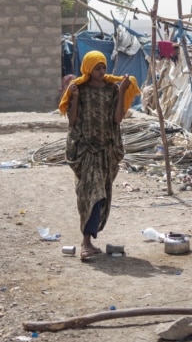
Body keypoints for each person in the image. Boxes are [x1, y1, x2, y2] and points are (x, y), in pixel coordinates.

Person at [58, 51, 140, 261]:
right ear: (88, 69)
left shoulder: (112, 89)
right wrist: (75, 98)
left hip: (105, 151)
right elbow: (73, 121)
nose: (102, 72)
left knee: (101, 195)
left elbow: (117, 119)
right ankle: (85, 243)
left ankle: (89, 241)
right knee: (91, 194)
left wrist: (121, 92)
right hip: (86, 151)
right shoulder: (80, 90)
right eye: (97, 68)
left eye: (104, 67)